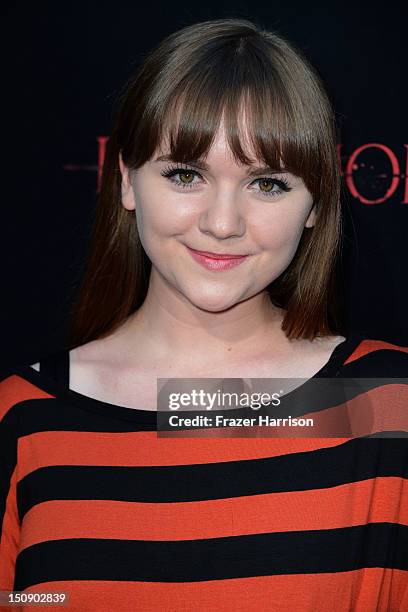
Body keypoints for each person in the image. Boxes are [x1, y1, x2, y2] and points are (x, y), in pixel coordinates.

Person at [1, 17, 407, 611]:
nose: (222, 224)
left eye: (267, 184)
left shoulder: (388, 405)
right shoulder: (22, 420)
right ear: (127, 181)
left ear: (316, 203)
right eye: (185, 175)